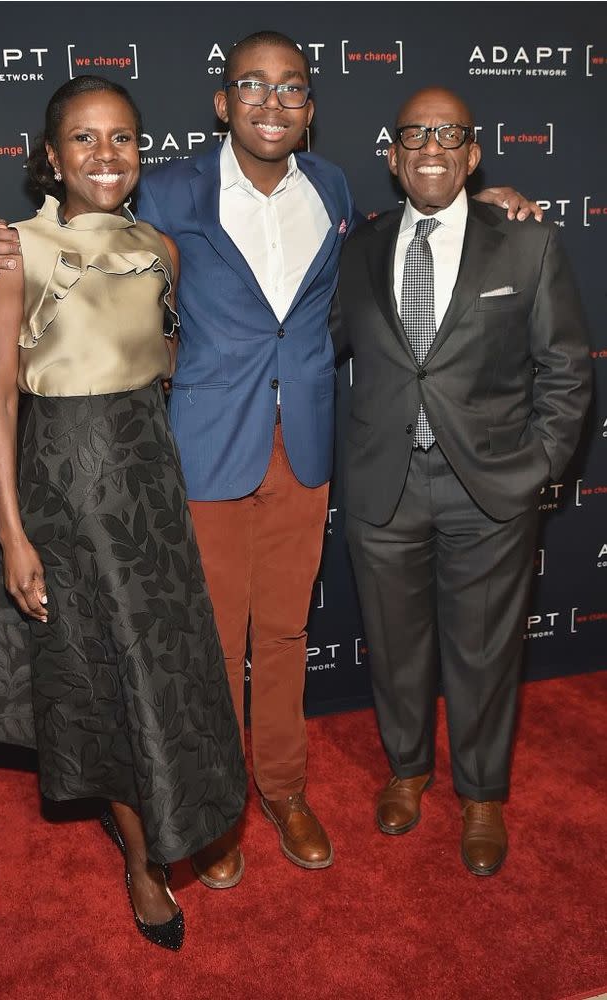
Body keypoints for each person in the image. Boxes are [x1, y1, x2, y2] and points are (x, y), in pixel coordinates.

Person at [0, 32, 542, 888]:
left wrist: (491, 203)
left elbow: (396, 248)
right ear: (221, 102)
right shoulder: (162, 189)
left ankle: (283, 789)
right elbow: (82, 244)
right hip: (198, 450)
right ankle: (216, 804)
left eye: (292, 89)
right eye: (253, 86)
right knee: (203, 644)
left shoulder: (337, 188)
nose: (272, 103)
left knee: (282, 634)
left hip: (304, 447)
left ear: (310, 110)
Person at [0, 75, 246, 949]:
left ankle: (163, 820)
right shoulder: (14, 251)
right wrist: (14, 536)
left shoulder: (160, 247)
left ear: (141, 151)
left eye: (122, 138)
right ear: (49, 156)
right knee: (104, 682)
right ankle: (141, 860)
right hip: (67, 496)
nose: (105, 155)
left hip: (150, 493)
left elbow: (164, 358)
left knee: (160, 675)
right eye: (83, 139)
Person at [332, 87, 591, 876]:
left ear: (473, 155)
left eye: (450, 134)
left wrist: (537, 468)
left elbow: (568, 372)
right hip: (385, 488)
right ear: (394, 156)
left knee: (483, 653)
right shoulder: (359, 249)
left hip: (490, 491)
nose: (432, 146)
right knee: (396, 647)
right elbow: (310, 348)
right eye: (415, 134)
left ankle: (482, 795)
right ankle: (408, 771)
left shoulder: (526, 243)